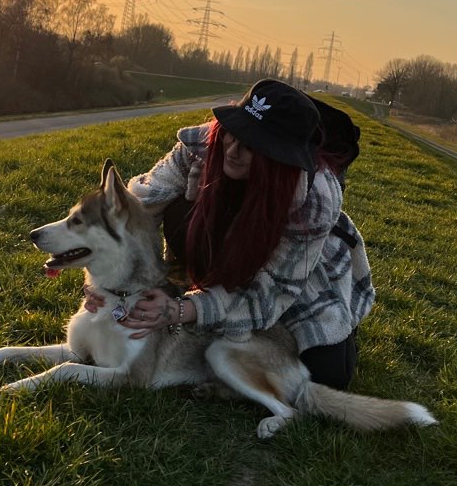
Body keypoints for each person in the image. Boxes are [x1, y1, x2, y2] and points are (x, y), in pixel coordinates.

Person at [84, 79, 375, 390]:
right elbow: (132, 214)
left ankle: (323, 326)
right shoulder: (198, 147)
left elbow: (272, 292)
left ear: (279, 159)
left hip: (301, 276)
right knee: (178, 210)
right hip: (222, 244)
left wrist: (182, 310)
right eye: (231, 135)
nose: (233, 151)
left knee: (328, 375)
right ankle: (205, 293)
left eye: (251, 146)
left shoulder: (313, 200)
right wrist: (105, 278)